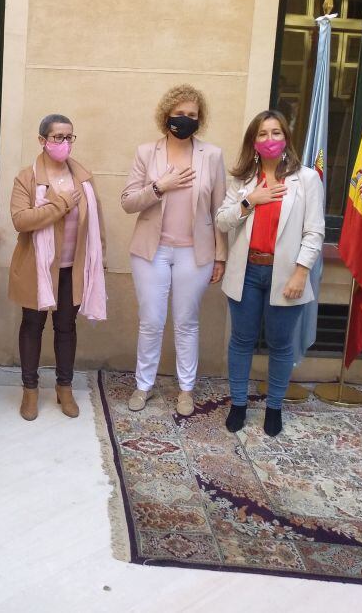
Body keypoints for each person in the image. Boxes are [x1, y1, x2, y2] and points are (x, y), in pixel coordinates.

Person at [215, 109, 325, 437]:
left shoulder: (306, 179)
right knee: (242, 340)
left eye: (276, 133)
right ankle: (238, 404)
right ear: (254, 141)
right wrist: (251, 200)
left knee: (280, 344)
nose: (269, 139)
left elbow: (314, 231)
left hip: (286, 276)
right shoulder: (242, 180)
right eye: (262, 134)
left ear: (286, 138)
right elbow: (222, 221)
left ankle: (274, 407)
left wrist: (301, 273)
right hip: (247, 272)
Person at [120, 85, 227, 417]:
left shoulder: (212, 155)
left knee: (186, 321)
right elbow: (127, 202)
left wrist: (220, 255)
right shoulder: (146, 153)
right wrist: (159, 187)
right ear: (166, 115)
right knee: (151, 320)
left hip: (194, 253)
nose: (186, 120)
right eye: (180, 114)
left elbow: (219, 209)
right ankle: (143, 385)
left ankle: (185, 389)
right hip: (151, 251)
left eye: (192, 115)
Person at [9, 114, 106, 421]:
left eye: (69, 137)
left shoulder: (84, 179)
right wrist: (60, 205)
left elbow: (96, 222)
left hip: (71, 268)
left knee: (66, 328)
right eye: (57, 137)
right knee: (32, 327)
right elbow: (20, 220)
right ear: (42, 140)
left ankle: (65, 388)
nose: (64, 143)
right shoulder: (27, 177)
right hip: (36, 268)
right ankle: (30, 391)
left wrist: (99, 258)